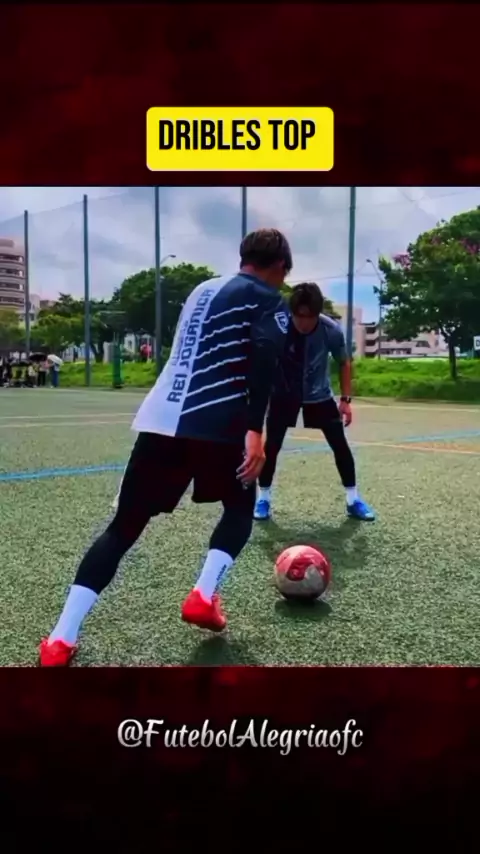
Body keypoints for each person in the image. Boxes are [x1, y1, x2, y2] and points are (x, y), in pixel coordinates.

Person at [39, 228, 292, 666]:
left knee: (123, 528)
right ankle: (203, 595)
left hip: (161, 417)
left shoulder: (201, 290)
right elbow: (265, 356)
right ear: (280, 267)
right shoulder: (269, 299)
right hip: (221, 423)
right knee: (239, 509)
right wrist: (256, 430)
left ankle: (60, 639)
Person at [253, 282, 375, 523]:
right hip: (283, 394)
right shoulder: (279, 328)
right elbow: (263, 362)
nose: (304, 322)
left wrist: (345, 400)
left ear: (318, 313)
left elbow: (344, 362)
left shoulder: (331, 330)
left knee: (340, 446)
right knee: (271, 447)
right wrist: (262, 395)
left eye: (309, 317)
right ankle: (263, 498)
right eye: (299, 316)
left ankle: (353, 500)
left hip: (319, 394)